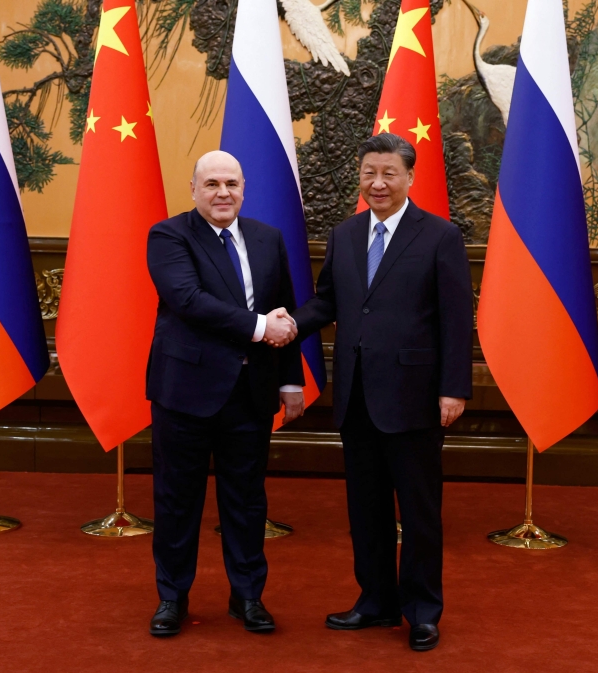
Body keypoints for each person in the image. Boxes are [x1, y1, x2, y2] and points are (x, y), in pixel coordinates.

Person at [292, 133, 474, 652]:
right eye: (369, 173)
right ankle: (375, 600)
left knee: (419, 512)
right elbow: (328, 302)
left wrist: (453, 388)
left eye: (389, 173)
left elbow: (456, 319)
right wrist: (285, 324)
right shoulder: (345, 234)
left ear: (409, 177)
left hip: (415, 397)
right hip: (356, 397)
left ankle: (422, 611)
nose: (378, 183)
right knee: (365, 510)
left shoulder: (440, 236)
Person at [145, 150, 304, 637]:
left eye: (231, 184)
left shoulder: (267, 238)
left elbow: (285, 311)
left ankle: (248, 596)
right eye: (212, 184)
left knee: (247, 501)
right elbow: (188, 300)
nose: (222, 193)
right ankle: (172, 597)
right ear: (193, 189)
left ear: (243, 189)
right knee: (177, 501)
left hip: (250, 394)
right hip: (185, 394)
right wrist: (259, 327)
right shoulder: (169, 235)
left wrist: (290, 381)